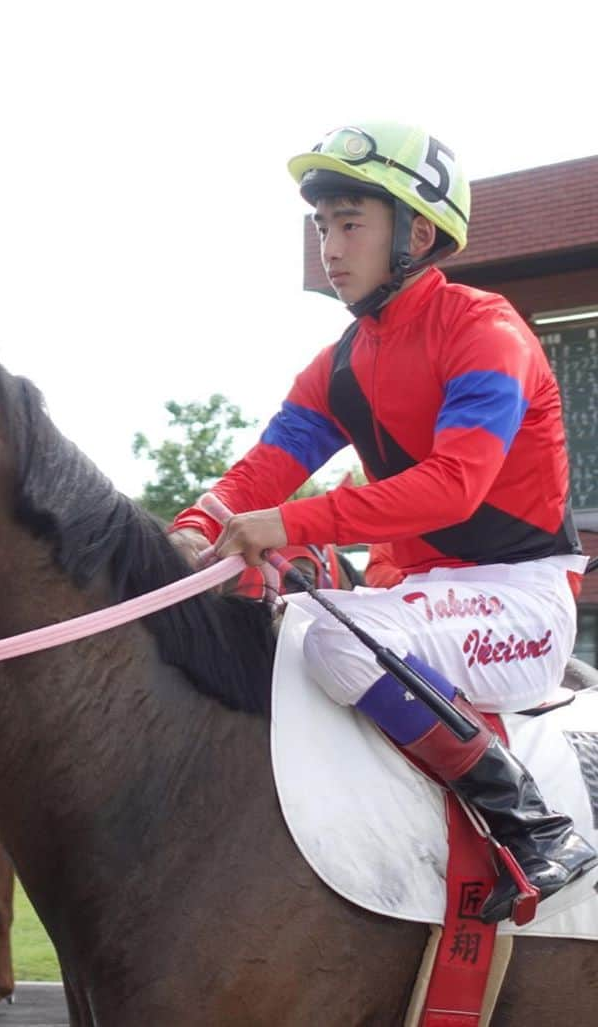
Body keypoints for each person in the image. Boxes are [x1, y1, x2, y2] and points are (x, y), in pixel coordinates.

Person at [169, 121, 598, 924]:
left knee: (330, 637)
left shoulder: (486, 330)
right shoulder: (338, 365)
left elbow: (454, 488)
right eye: (323, 225)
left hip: (523, 606)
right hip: (420, 602)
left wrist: (285, 523)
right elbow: (264, 471)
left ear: (419, 232)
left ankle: (533, 824)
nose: (330, 246)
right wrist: (191, 527)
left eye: (351, 222)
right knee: (279, 625)